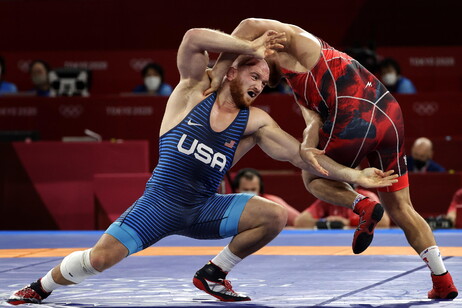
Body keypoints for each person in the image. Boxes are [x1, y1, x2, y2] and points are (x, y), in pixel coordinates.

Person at [7, 28, 397, 305]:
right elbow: (193, 37)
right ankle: (40, 287)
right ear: (232, 71)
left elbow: (304, 157)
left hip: (205, 208)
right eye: (254, 74)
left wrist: (354, 178)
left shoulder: (256, 122)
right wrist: (249, 43)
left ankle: (213, 274)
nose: (261, 85)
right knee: (99, 260)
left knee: (274, 216)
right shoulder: (191, 93)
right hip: (157, 207)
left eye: (265, 81)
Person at [207, 18, 457, 299]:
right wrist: (308, 148)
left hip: (355, 115)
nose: (263, 79)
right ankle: (442, 280)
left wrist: (218, 72)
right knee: (401, 208)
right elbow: (312, 126)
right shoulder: (297, 85)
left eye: (260, 73)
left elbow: (248, 22)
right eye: (260, 80)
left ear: (265, 49)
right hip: (389, 114)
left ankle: (361, 203)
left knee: (311, 178)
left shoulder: (300, 42)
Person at [232, 168, 301, 226]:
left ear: (260, 188)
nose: (249, 193)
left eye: (253, 189)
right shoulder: (229, 205)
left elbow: (301, 223)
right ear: (237, 190)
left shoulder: (273, 202)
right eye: (245, 190)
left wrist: (281, 231)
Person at [295, 188, 390, 229]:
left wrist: (347, 222)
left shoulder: (366, 196)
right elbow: (300, 221)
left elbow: (383, 222)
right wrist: (325, 223)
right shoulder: (328, 198)